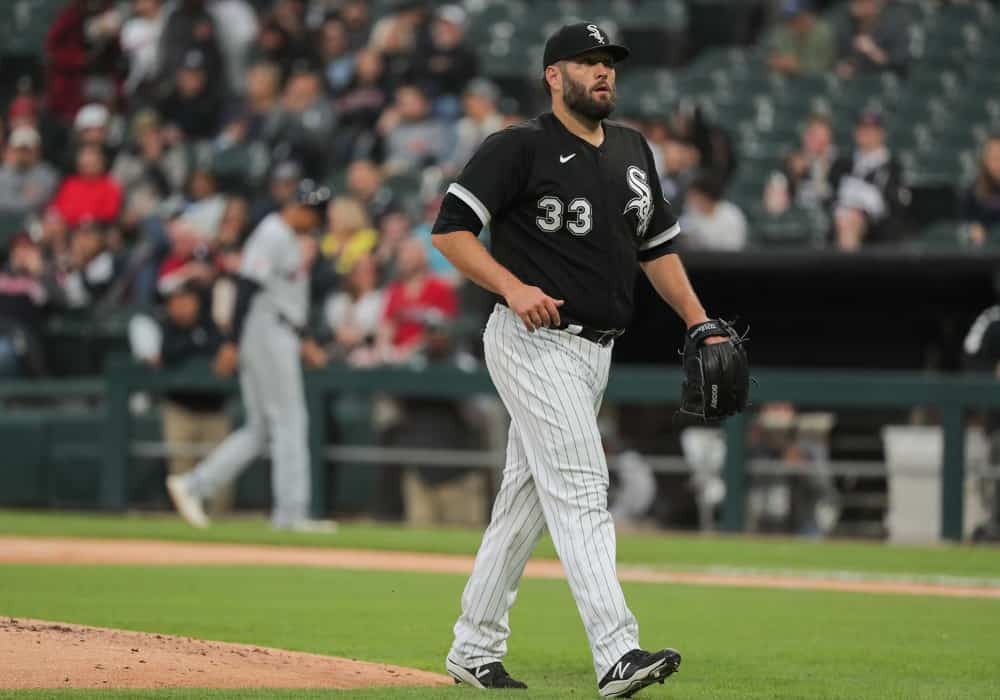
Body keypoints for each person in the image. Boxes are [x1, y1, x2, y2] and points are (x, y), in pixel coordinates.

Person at [430, 21, 737, 697]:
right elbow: (449, 231)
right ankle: (616, 651)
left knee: (525, 502)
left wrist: (699, 320)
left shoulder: (631, 148)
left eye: (609, 63)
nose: (603, 72)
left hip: (596, 354)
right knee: (581, 486)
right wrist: (511, 285)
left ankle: (472, 647)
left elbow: (657, 248)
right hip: (532, 341)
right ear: (553, 75)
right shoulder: (519, 147)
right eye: (587, 62)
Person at [165, 179, 333, 532]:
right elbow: (247, 287)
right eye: (314, 213)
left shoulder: (286, 236)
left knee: (260, 429)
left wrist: (304, 339)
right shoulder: (272, 233)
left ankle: (193, 484)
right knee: (290, 421)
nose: (316, 222)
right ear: (299, 208)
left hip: (278, 328)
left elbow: (281, 295)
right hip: (265, 331)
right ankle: (290, 514)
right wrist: (231, 342)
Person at [155, 281, 235, 515]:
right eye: (176, 301)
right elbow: (168, 355)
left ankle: (220, 532)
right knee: (180, 473)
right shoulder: (166, 329)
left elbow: (223, 356)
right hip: (179, 410)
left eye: (187, 300)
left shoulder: (212, 328)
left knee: (221, 481)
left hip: (214, 411)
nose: (181, 306)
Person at [830, 110, 907, 250]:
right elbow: (830, 195)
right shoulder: (842, 164)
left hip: (876, 229)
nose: (867, 134)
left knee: (850, 221)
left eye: (872, 130)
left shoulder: (893, 168)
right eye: (863, 129)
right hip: (839, 219)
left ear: (882, 134)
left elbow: (895, 207)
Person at [765, 113, 838, 214]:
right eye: (814, 136)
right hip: (795, 218)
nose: (819, 143)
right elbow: (773, 205)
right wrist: (794, 175)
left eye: (823, 139)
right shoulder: (790, 163)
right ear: (805, 136)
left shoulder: (838, 166)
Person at [836, 0, 910, 79]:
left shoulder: (894, 24)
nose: (854, 6)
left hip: (885, 81)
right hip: (857, 82)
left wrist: (872, 50)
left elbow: (898, 65)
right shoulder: (850, 23)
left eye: (861, 3)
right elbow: (844, 57)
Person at [0, 126, 60, 219]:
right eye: (19, 149)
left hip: (35, 222)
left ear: (37, 151)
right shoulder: (2, 173)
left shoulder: (48, 174)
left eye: (27, 150)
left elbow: (41, 202)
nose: (22, 154)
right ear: (10, 150)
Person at [680, 171, 749, 251]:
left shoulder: (732, 216)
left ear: (706, 196)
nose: (690, 199)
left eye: (695, 195)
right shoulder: (691, 211)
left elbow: (733, 250)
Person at [766, 0, 835, 76]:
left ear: (807, 16)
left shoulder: (822, 33)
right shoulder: (784, 31)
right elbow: (775, 57)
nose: (791, 24)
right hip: (790, 82)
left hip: (818, 83)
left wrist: (798, 67)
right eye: (788, 19)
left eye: (795, 19)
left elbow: (824, 67)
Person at [963, 135, 1000, 246]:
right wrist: (972, 228)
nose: (998, 164)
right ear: (985, 161)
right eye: (994, 158)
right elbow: (965, 221)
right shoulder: (973, 191)